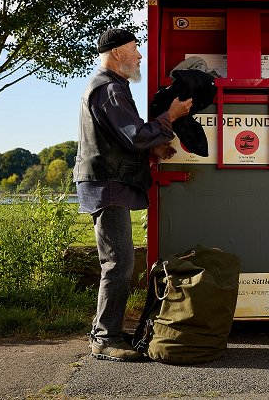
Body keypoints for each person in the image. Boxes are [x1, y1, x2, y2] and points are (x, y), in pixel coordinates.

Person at [73, 28, 193, 361]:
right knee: (118, 264)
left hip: (108, 183)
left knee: (119, 262)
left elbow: (126, 139)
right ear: (115, 54)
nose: (140, 56)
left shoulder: (109, 87)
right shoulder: (110, 89)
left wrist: (152, 149)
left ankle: (107, 329)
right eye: (134, 49)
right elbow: (135, 135)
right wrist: (170, 117)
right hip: (107, 185)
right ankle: (104, 338)